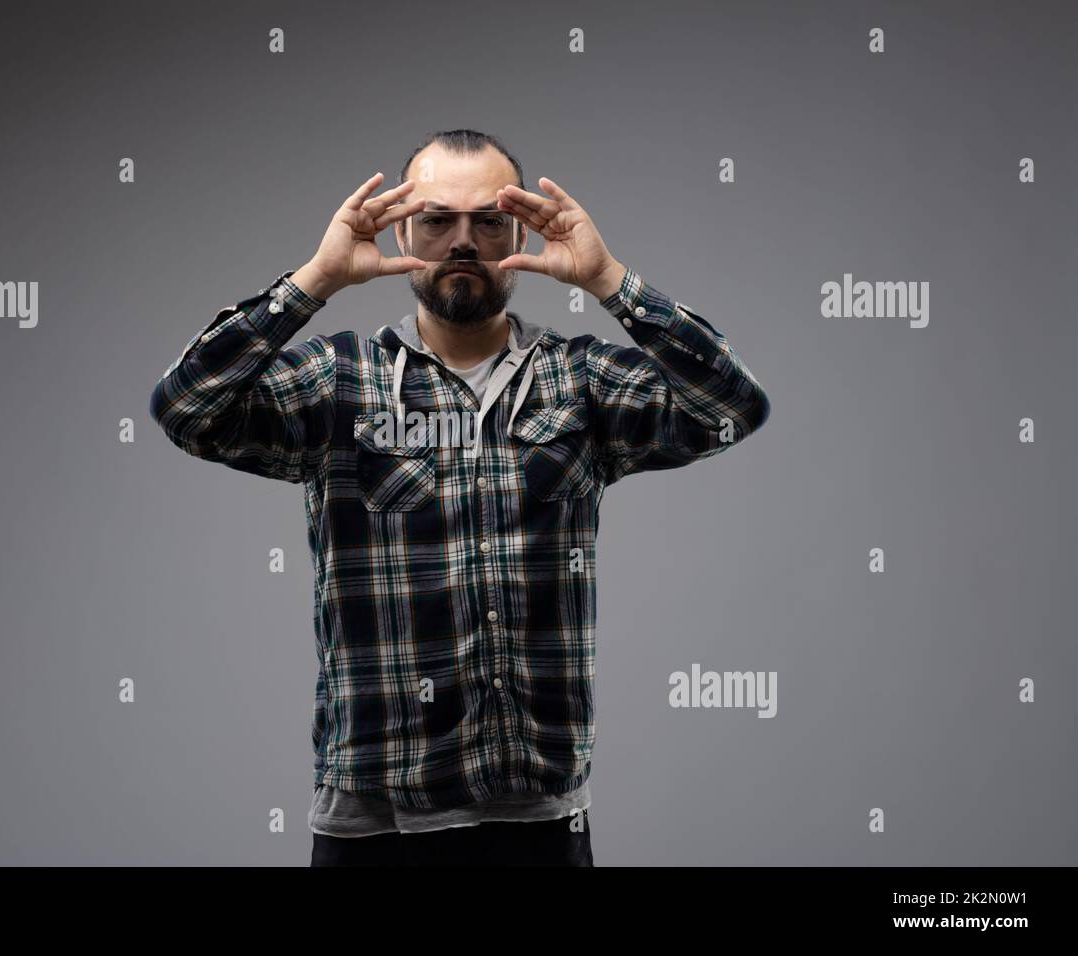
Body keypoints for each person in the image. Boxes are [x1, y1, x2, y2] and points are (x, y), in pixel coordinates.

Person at [149, 129, 771, 866]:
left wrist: (610, 281)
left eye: (488, 221)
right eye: (439, 219)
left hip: (538, 822)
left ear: (520, 231)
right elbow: (185, 408)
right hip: (373, 820)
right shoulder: (337, 381)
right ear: (404, 229)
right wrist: (313, 280)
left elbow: (732, 407)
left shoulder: (579, 382)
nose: (463, 242)